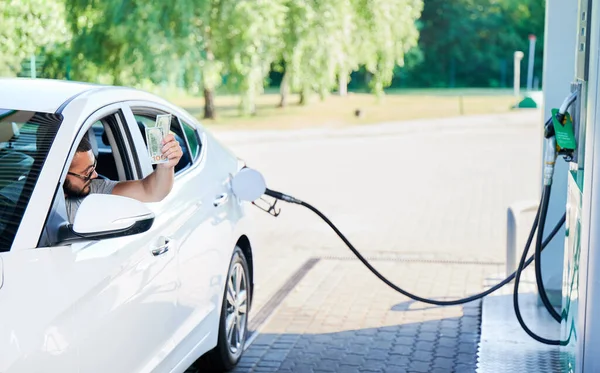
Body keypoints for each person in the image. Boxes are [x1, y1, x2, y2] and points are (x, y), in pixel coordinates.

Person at [64, 133, 183, 224]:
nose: (95, 175)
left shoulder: (96, 190)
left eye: (93, 166)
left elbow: (151, 191)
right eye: (87, 173)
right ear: (62, 175)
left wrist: (166, 166)